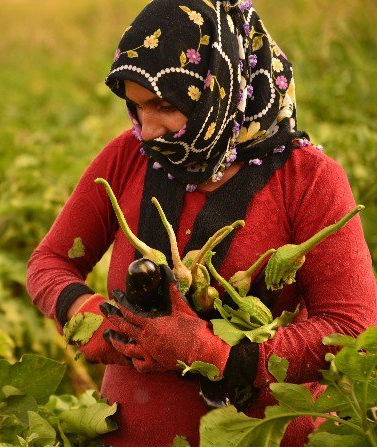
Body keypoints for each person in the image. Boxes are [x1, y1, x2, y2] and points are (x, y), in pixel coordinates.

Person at [26, 0, 377, 446]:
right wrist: (85, 314)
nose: (147, 129)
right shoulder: (128, 157)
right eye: (134, 108)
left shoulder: (308, 180)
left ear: (219, 88)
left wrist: (218, 354)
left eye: (161, 105)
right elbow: (50, 261)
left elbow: (354, 331)